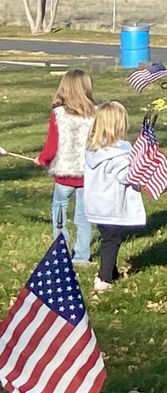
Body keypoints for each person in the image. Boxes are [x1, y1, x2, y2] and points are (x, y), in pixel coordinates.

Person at [83, 101, 146, 294]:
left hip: (96, 205)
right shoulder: (118, 153)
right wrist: (140, 170)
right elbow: (125, 176)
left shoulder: (93, 149)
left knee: (108, 237)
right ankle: (104, 279)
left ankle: (111, 270)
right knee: (112, 240)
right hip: (111, 205)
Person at [34, 69, 96, 264]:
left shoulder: (58, 115)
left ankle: (60, 251)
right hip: (87, 174)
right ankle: (82, 256)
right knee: (84, 218)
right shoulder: (96, 114)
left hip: (64, 175)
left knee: (59, 211)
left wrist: (42, 159)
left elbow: (51, 146)